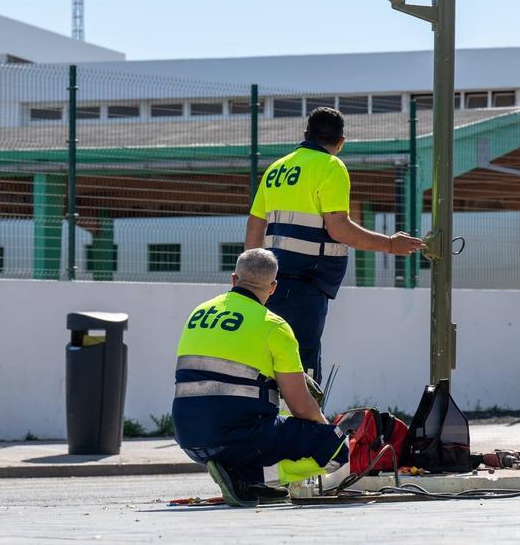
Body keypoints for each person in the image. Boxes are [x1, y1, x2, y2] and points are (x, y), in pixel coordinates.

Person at [246, 106, 423, 383]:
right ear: (341, 142)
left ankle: (275, 423)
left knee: (268, 363)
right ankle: (301, 424)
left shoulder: (276, 168)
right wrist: (390, 244)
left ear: (305, 134)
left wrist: (249, 281)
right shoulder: (331, 167)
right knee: (300, 369)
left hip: (269, 285)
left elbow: (255, 225)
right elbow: (339, 228)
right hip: (306, 285)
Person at [172, 248, 347, 508]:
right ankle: (248, 478)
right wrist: (326, 429)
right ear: (273, 287)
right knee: (336, 451)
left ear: (234, 279)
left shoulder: (199, 313)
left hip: (188, 436)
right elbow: (300, 405)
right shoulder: (274, 326)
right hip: (238, 438)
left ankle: (251, 484)